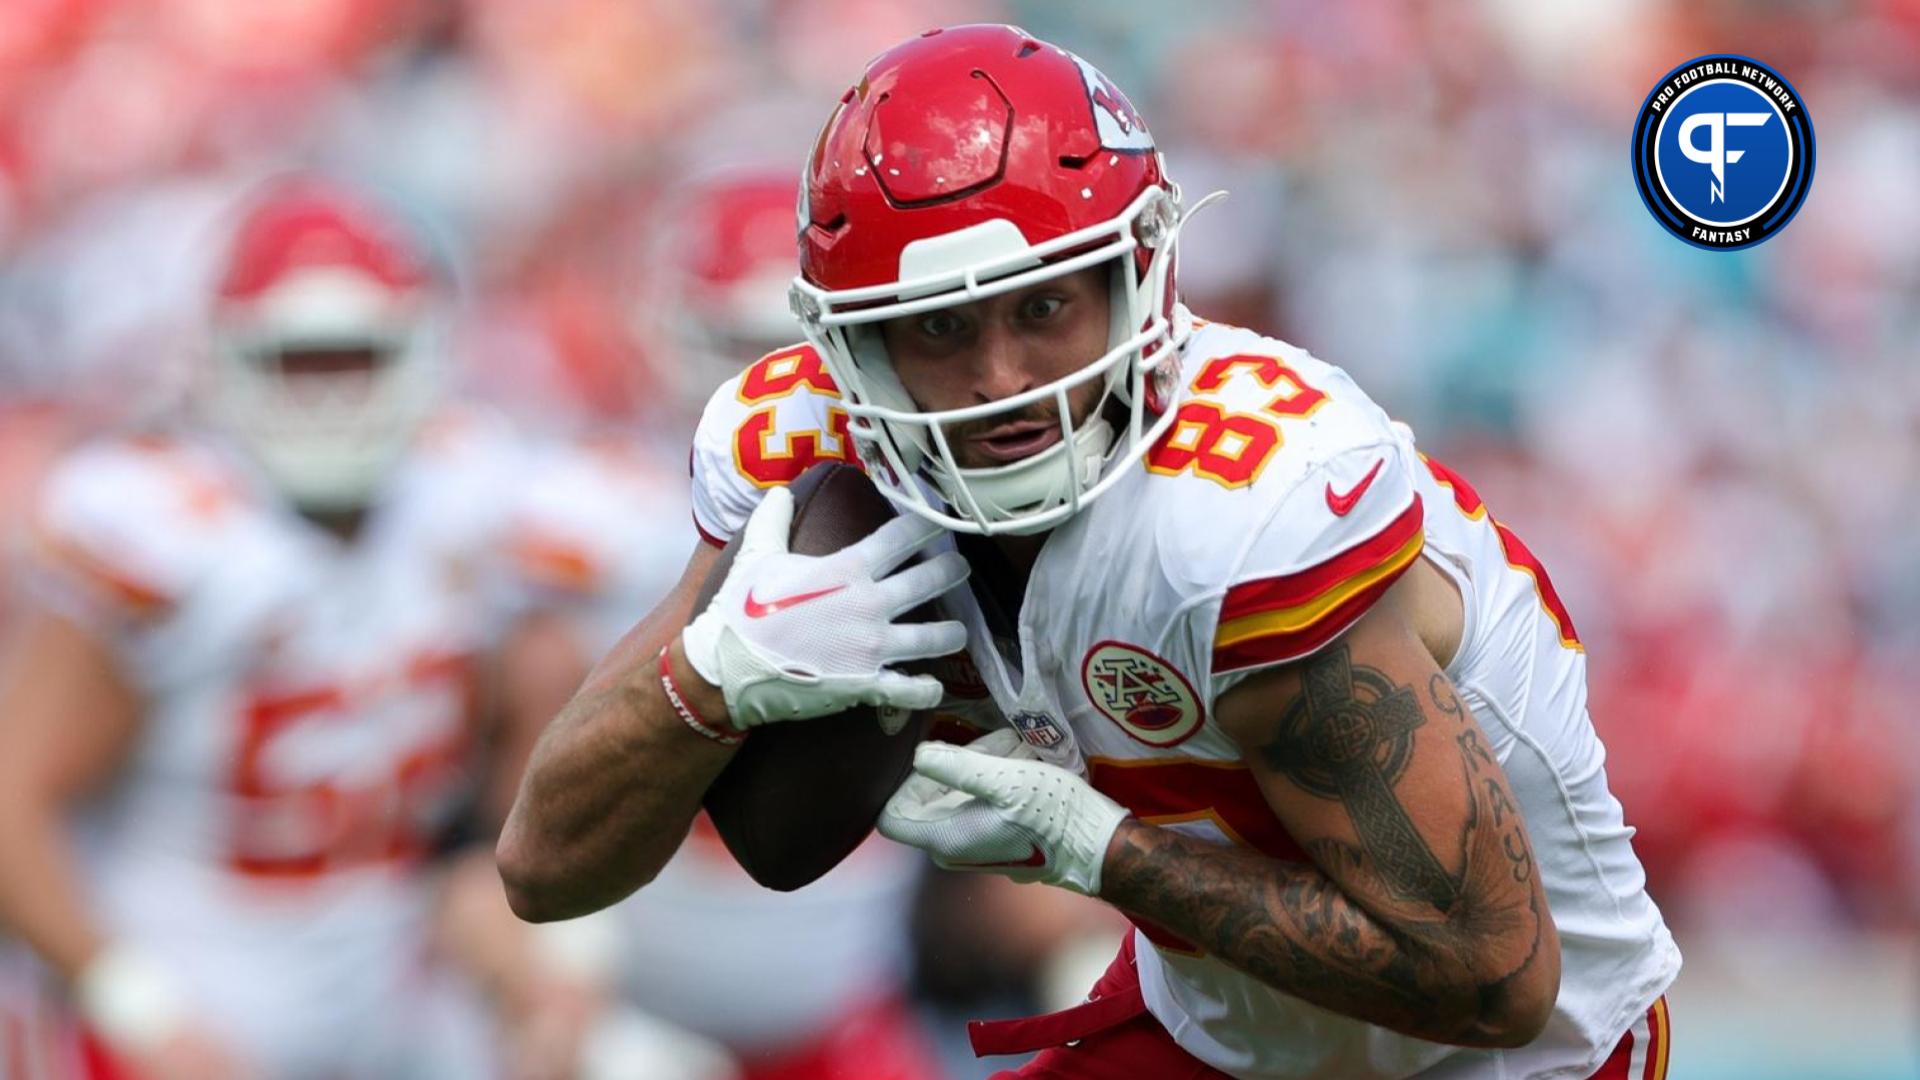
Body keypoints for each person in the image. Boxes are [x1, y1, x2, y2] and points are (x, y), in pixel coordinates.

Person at [499, 24, 1680, 1080]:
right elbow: (547, 870)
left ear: (1140, 278)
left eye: (1045, 306)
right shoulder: (809, 459)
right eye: (941, 329)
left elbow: (1495, 977)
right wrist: (712, 673)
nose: (1004, 380)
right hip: (1228, 1027)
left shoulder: (1241, 518)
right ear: (850, 348)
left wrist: (1100, 850)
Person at [0, 175, 526, 1080]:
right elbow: (11, 807)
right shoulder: (162, 538)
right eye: (296, 360)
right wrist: (138, 1010)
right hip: (170, 1029)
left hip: (386, 1022)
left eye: (356, 356)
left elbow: (543, 693)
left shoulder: (466, 498)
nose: (329, 393)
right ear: (222, 361)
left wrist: (497, 888)